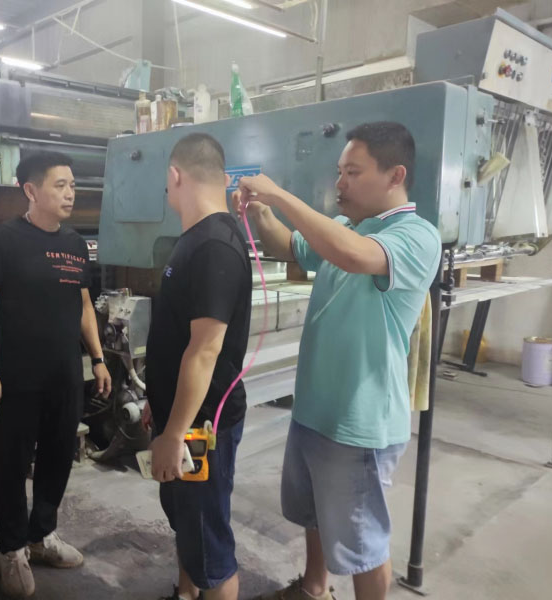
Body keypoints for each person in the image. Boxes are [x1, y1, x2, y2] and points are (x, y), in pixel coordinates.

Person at [235, 122, 441, 600]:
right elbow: (290, 246)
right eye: (339, 171)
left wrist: (280, 194)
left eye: (353, 172)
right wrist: (262, 211)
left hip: (358, 420)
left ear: (395, 176)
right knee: (315, 515)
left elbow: (353, 256)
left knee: (363, 543)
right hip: (315, 408)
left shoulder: (416, 236)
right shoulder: (347, 227)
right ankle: (314, 588)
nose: (339, 183)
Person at [0, 151, 111, 599]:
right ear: (31, 190)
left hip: (65, 373)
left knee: (57, 456)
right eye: (59, 185)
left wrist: (98, 358)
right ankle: (11, 549)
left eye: (73, 185)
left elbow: (83, 305)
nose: (70, 194)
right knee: (12, 463)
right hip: (19, 375)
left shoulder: (75, 244)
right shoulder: (2, 241)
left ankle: (41, 534)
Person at [143, 133, 253, 600]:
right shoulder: (197, 239)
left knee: (210, 547)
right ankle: (186, 594)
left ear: (175, 176)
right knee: (188, 525)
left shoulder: (213, 247)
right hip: (183, 417)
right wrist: (160, 406)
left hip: (201, 426)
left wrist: (174, 434)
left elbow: (205, 351)